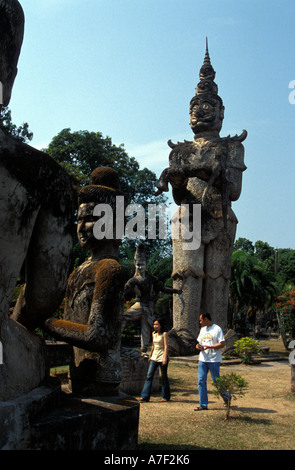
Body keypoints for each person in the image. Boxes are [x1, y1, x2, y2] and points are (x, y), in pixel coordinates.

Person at [195, 312, 228, 410]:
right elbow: (199, 342)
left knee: (216, 381)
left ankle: (227, 398)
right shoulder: (202, 330)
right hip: (203, 359)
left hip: (214, 359)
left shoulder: (217, 329)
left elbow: (222, 344)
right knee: (201, 381)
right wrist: (198, 346)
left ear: (206, 319)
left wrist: (209, 346)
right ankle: (203, 404)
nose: (200, 322)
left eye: (201, 320)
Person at [139, 318, 171, 402]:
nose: (155, 326)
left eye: (157, 324)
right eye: (154, 324)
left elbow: (166, 346)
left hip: (162, 356)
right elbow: (153, 345)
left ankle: (165, 396)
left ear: (161, 325)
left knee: (164, 377)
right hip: (154, 357)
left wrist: (165, 358)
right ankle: (145, 396)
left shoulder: (164, 334)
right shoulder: (153, 334)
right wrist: (150, 356)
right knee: (149, 376)